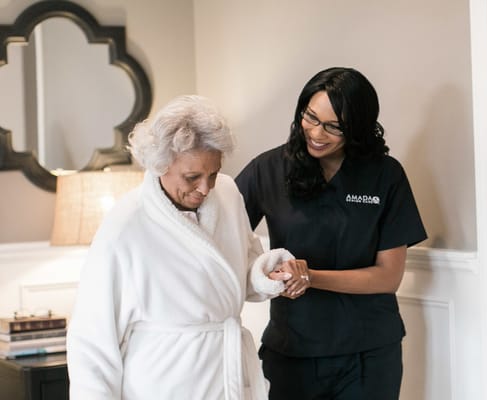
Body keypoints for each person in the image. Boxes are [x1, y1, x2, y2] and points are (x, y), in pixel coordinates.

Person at [67, 95, 302, 399]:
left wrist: (266, 275)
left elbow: (243, 269)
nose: (205, 188)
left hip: (226, 378)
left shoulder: (228, 195)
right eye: (192, 177)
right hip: (163, 383)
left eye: (213, 174)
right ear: (160, 164)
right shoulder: (125, 225)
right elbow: (93, 342)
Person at [236, 67, 427, 399]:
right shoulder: (267, 170)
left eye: (333, 126)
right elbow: (222, 236)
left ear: (357, 128)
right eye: (310, 117)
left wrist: (310, 276)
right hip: (291, 351)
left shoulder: (385, 175)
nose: (316, 133)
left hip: (368, 354)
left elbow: (388, 277)